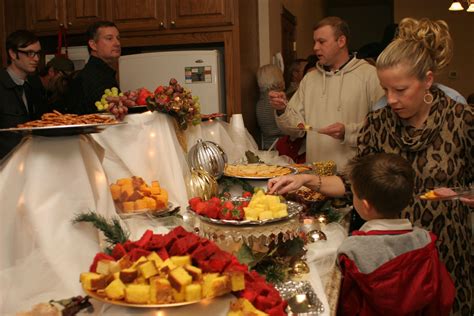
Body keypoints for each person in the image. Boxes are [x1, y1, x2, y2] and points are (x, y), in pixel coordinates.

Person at [268, 17, 473, 315]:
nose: (391, 100)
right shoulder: (378, 124)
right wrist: (307, 180)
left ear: (428, 80)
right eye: (385, 90)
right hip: (388, 261)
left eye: (400, 90)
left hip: (445, 255)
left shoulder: (462, 121)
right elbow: (353, 181)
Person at [337, 153, 455, 316]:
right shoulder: (424, 241)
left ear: (365, 205)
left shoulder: (352, 250)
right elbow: (443, 298)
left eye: (354, 194)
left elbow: (347, 306)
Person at [269, 16, 384, 170]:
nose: (315, 47)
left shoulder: (370, 75)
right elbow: (296, 129)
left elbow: (383, 127)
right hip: (316, 175)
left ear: (341, 41)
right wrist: (282, 108)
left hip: (354, 178)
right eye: (314, 42)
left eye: (321, 42)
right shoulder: (309, 79)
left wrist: (347, 132)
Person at [0, 30, 47, 160]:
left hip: (32, 159)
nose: (36, 58)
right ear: (13, 54)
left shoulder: (35, 84)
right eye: (30, 53)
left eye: (38, 53)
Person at [66, 20, 121, 114]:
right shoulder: (94, 77)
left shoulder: (103, 73)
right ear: (93, 45)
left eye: (118, 38)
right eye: (109, 38)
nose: (117, 43)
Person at [255, 64, 285, 149]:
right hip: (280, 148)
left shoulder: (261, 101)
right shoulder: (275, 101)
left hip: (269, 146)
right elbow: (288, 127)